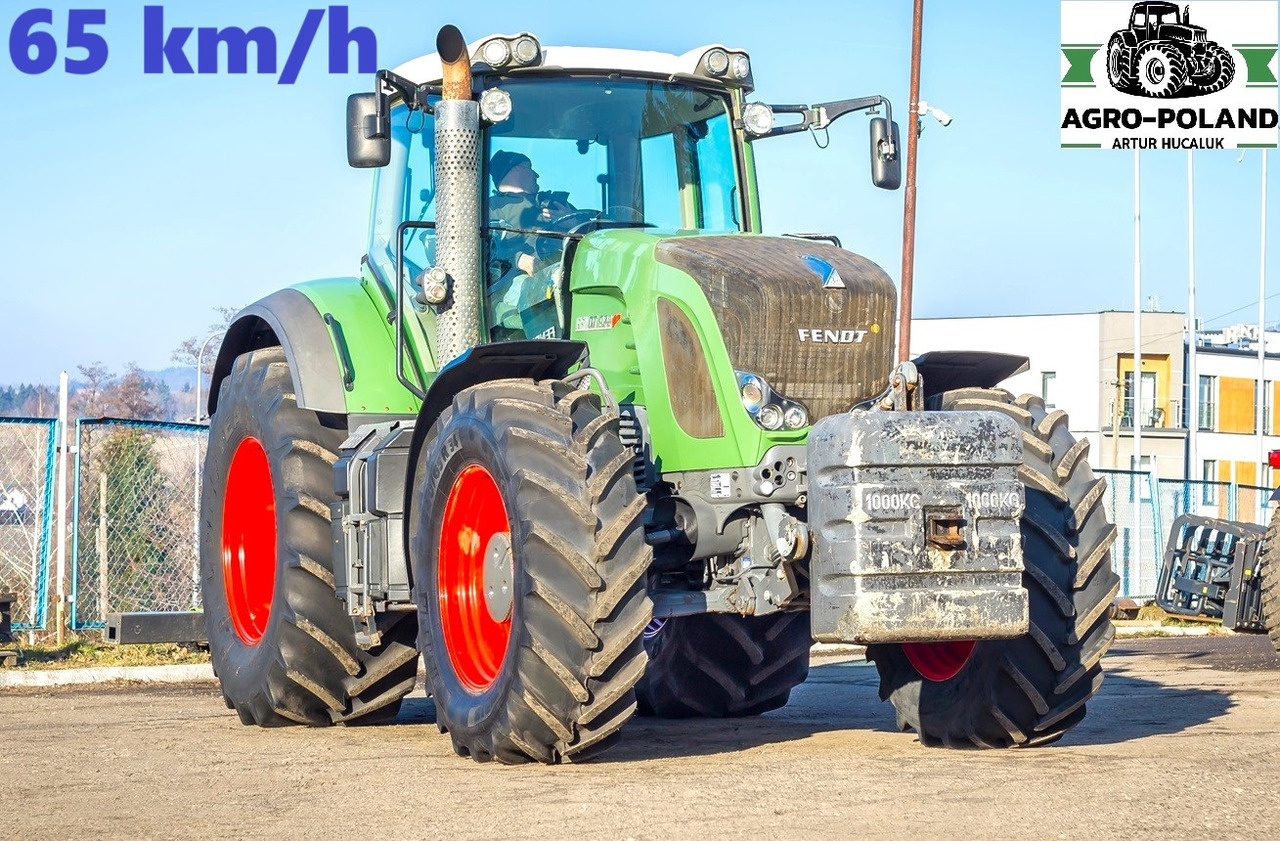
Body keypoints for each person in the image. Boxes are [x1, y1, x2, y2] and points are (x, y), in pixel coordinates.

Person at [488, 150, 573, 277]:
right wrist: (515, 258)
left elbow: (596, 231)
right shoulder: (491, 208)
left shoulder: (555, 202)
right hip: (520, 279)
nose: (536, 175)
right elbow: (480, 248)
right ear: (515, 169)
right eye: (530, 168)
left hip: (570, 270)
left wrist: (574, 223)